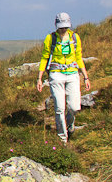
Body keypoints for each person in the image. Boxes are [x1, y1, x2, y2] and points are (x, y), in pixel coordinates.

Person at [36, 12, 91, 144]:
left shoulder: (75, 38)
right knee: (59, 108)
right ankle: (63, 138)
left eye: (65, 26)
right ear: (56, 25)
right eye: (61, 26)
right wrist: (39, 78)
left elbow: (79, 57)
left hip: (72, 74)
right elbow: (44, 58)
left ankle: (70, 125)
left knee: (74, 107)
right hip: (56, 75)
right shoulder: (50, 39)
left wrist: (86, 77)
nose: (63, 29)